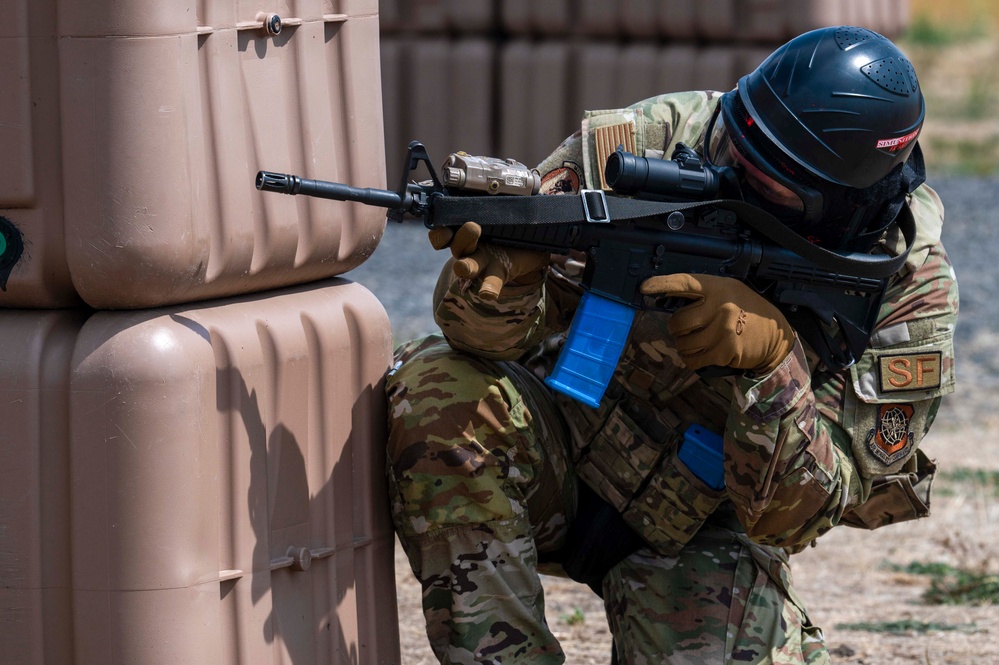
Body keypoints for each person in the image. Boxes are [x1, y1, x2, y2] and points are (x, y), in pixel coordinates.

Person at [384, 26, 957, 664]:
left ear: (837, 204)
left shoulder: (906, 288)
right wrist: (507, 282)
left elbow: (802, 517)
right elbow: (476, 338)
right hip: (555, 449)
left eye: (770, 184)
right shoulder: (644, 144)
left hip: (698, 527)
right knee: (437, 387)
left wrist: (772, 368)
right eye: (740, 146)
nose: (737, 172)